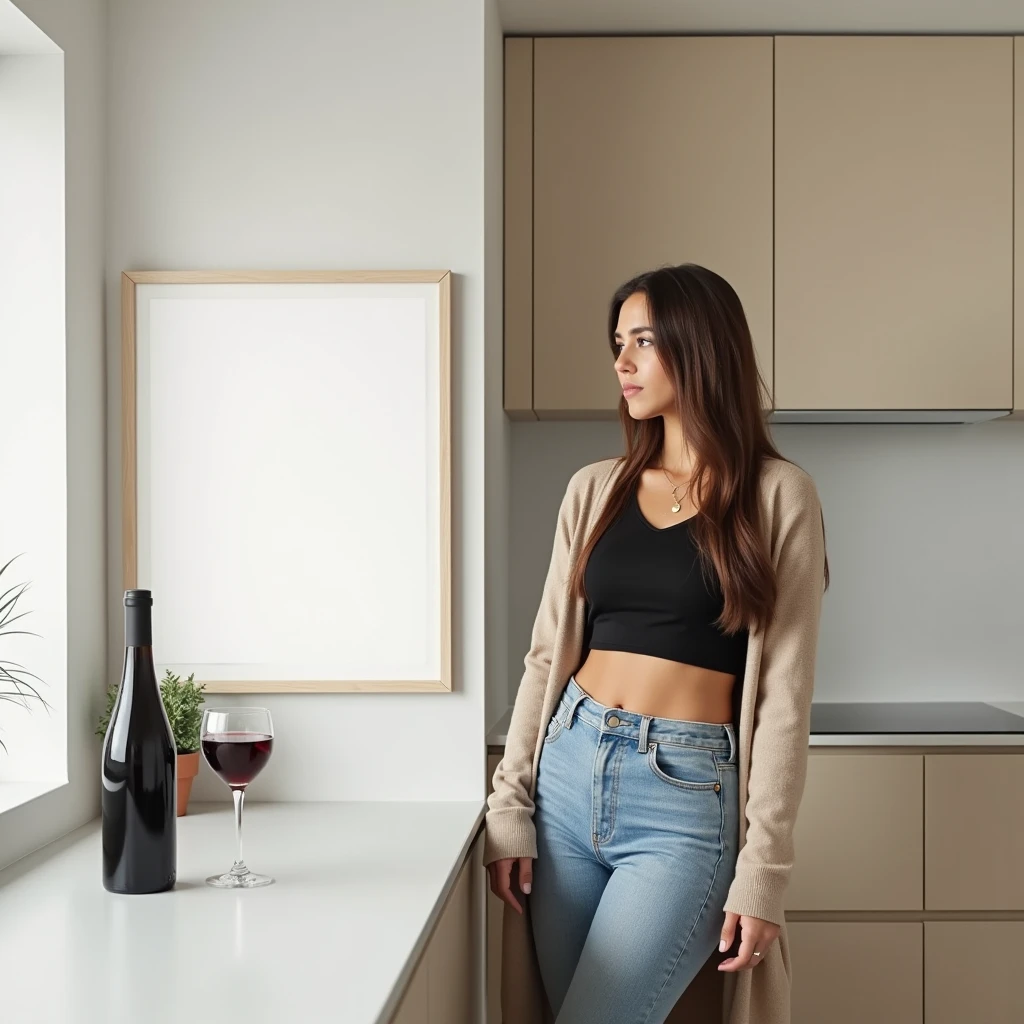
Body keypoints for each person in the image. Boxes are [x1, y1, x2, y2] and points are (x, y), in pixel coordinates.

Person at [483, 263, 830, 1024]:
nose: (622, 362)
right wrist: (509, 804)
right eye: (618, 342)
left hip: (684, 796)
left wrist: (764, 871)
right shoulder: (594, 487)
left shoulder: (779, 496)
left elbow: (783, 699)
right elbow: (548, 656)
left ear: (700, 347)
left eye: (643, 340)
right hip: (566, 777)